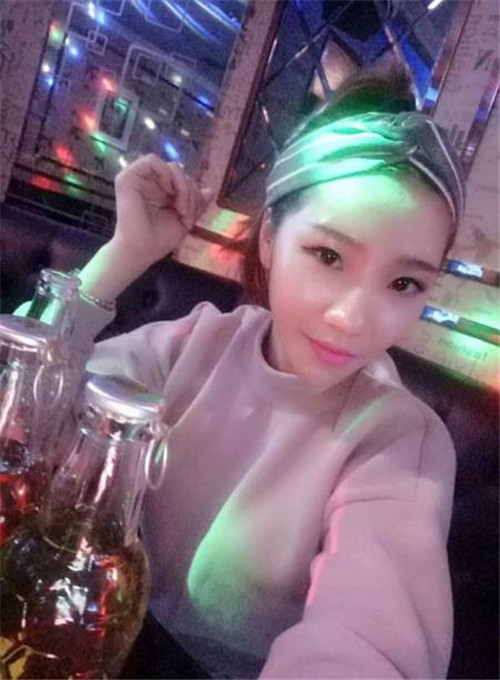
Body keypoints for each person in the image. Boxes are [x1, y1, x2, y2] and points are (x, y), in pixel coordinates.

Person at [30, 67, 466, 678]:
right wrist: (125, 254)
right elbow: (20, 413)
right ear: (268, 241)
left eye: (403, 284)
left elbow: (372, 642)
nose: (351, 319)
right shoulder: (196, 344)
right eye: (328, 255)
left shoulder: (396, 440)